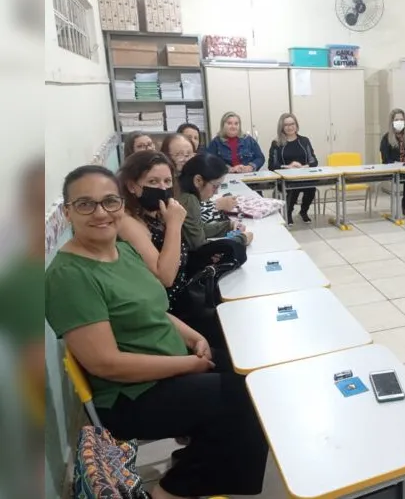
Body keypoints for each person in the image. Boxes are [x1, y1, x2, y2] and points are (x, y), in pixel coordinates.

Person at [46, 165, 268, 498]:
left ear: (122, 204)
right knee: (245, 400)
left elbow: (155, 310)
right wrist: (188, 365)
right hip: (132, 396)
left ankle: (202, 456)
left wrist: (193, 337)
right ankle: (171, 490)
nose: (101, 213)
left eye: (109, 202)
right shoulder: (69, 276)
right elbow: (107, 364)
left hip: (167, 366)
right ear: (67, 212)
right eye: (85, 204)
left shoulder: (124, 251)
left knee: (253, 370)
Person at [116, 151, 189, 313]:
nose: (163, 188)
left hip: (183, 297)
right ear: (131, 186)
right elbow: (165, 277)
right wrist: (174, 226)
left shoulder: (156, 213)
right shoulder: (127, 221)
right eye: (153, 181)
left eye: (167, 181)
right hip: (161, 311)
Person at [177, 154, 252, 250]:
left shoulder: (183, 192)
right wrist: (241, 239)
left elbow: (198, 229)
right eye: (215, 186)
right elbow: (202, 248)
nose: (216, 192)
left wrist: (227, 226)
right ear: (198, 180)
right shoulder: (189, 200)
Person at [162, 134, 238, 225]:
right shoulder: (166, 184)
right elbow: (189, 219)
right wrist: (216, 205)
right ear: (166, 156)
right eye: (179, 154)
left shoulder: (189, 176)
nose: (186, 159)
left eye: (189, 154)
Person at [268, 112, 318, 225]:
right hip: (285, 178)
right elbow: (271, 165)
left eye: (292, 124)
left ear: (296, 125)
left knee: (311, 188)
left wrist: (304, 166)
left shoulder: (304, 141)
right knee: (293, 187)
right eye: (286, 125)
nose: (290, 127)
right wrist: (288, 167)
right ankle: (288, 213)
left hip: (304, 176)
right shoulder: (276, 143)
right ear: (282, 127)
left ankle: (303, 212)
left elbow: (314, 161)